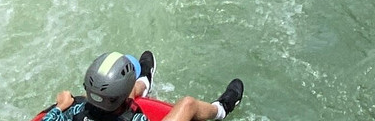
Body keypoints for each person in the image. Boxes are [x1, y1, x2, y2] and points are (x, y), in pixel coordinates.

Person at [41, 50, 244, 121]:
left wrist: (60, 106)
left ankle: (143, 83)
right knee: (188, 104)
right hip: (120, 107)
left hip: (104, 106)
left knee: (119, 97)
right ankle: (221, 109)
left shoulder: (74, 110)